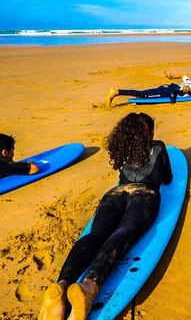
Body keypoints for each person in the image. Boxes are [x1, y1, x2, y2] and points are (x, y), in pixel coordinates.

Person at [38, 113, 173, 320]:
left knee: (97, 233)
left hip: (115, 194)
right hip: (144, 194)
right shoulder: (158, 146)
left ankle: (61, 285)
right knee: (124, 231)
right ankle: (88, 288)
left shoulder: (122, 149)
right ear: (149, 132)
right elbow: (167, 177)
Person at [106, 73, 191, 107]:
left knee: (143, 93)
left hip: (168, 86)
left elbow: (182, 76)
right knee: (142, 95)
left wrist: (172, 77)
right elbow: (188, 88)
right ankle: (116, 92)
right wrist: (187, 90)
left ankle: (117, 92)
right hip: (170, 91)